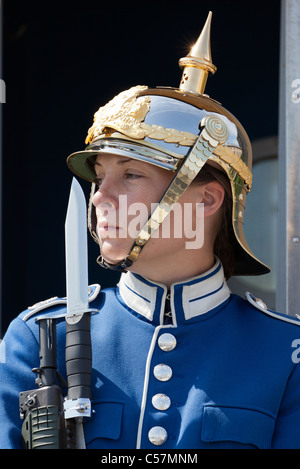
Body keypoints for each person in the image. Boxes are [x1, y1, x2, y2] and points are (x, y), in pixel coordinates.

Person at [1, 12, 300, 450]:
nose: (100, 197)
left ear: (207, 199)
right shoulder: (40, 337)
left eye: (131, 175)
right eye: (99, 177)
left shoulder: (286, 353)